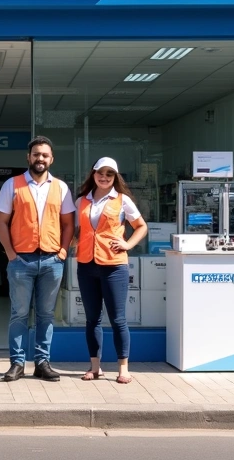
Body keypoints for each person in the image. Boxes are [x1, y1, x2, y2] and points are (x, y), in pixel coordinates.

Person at [0, 136, 76, 382]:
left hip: (52, 261)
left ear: (52, 159)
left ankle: (42, 363)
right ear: (28, 157)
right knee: (19, 314)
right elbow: (1, 222)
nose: (40, 158)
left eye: (45, 155)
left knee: (46, 315)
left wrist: (63, 252)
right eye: (36, 154)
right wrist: (10, 253)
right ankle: (17, 364)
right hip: (21, 260)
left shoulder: (61, 187)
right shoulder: (12, 185)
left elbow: (68, 224)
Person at [74, 157, 147, 384]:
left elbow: (141, 226)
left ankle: (123, 368)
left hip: (114, 266)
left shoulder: (122, 200)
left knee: (118, 319)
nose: (104, 177)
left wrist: (128, 244)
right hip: (86, 265)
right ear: (93, 174)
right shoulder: (81, 201)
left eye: (109, 174)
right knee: (92, 319)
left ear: (115, 177)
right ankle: (95, 367)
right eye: (100, 173)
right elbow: (76, 229)